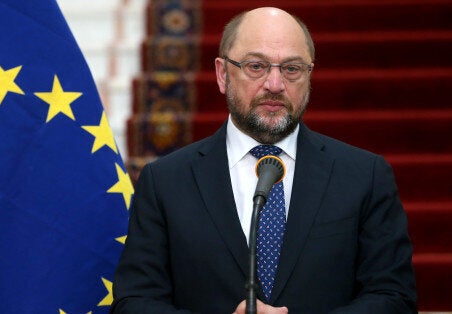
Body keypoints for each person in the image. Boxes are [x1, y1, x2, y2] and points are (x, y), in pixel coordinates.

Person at [110, 7, 417, 314]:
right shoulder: (165, 181)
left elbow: (395, 298)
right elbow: (134, 302)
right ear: (222, 74)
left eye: (292, 69)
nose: (274, 84)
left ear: (309, 76)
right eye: (256, 66)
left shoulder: (364, 176)